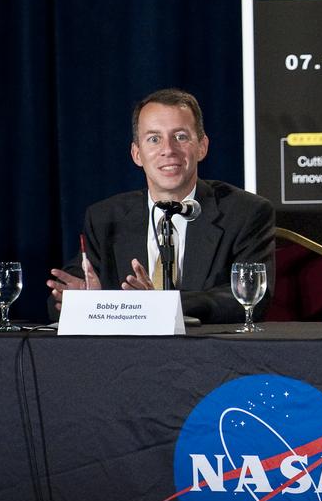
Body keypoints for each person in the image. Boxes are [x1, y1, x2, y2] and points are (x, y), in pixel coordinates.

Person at [47, 88, 275, 324]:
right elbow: (61, 301)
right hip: (127, 356)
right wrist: (86, 301)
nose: (168, 150)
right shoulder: (105, 218)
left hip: (210, 355)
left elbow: (249, 299)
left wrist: (159, 305)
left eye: (180, 137)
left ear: (202, 147)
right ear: (137, 153)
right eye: (154, 139)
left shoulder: (245, 213)